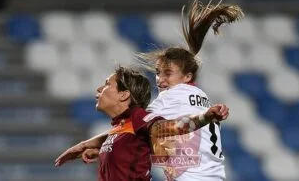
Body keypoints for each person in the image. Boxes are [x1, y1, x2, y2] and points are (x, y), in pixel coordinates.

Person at [55, 0, 244, 180]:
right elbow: (154, 138)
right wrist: (106, 150)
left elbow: (135, 127)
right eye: (158, 73)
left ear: (187, 76)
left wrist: (90, 144)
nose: (160, 80)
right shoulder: (200, 96)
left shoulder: (171, 97)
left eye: (168, 74)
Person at [56, 65, 229, 181]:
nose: (99, 89)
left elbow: (170, 128)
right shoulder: (122, 128)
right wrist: (98, 151)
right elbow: (133, 149)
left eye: (107, 84)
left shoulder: (139, 118)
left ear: (124, 95)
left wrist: (205, 117)